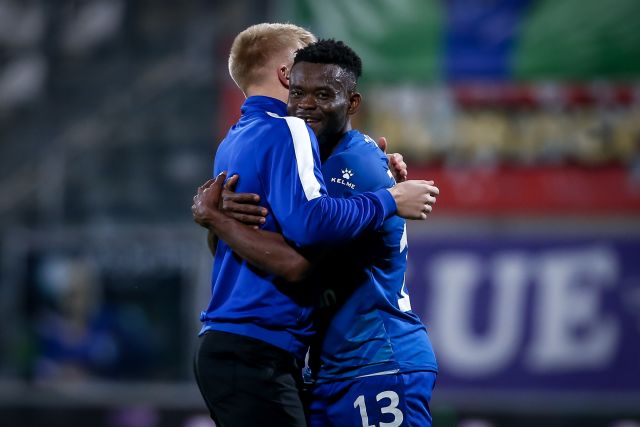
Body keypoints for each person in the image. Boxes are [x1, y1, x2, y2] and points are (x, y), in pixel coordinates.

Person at [192, 23, 438, 427]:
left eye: (323, 94)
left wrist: (217, 219)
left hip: (376, 359)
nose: (306, 105)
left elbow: (300, 256)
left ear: (351, 102)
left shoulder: (351, 162)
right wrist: (223, 217)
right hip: (326, 368)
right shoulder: (299, 158)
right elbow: (235, 246)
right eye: (299, 92)